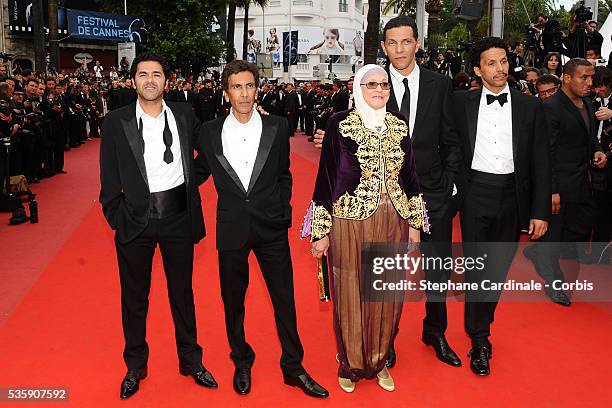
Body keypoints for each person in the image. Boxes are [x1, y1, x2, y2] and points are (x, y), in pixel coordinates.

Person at [315, 16, 463, 369]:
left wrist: (449, 185)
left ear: (417, 43)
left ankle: (435, 331)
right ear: (383, 47)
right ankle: (385, 339)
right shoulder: (372, 82)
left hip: (432, 193)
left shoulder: (440, 85)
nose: (399, 49)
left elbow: (452, 138)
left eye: (406, 42)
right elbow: (347, 134)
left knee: (436, 265)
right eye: (392, 43)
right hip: (383, 200)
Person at [194, 60, 329, 399]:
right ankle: (241, 360)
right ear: (226, 93)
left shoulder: (278, 127)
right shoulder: (208, 132)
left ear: (257, 90)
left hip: (271, 227)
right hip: (232, 227)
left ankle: (293, 366)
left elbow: (284, 174)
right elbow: (196, 173)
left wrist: (281, 211)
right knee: (233, 301)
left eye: (249, 86)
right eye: (236, 87)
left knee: (284, 299)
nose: (243, 93)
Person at [99, 53, 217, 399]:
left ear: (167, 80)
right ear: (132, 81)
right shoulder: (116, 122)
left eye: (157, 74)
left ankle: (190, 360)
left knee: (182, 293)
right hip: (135, 221)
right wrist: (117, 216)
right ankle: (135, 365)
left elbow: (207, 150)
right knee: (135, 298)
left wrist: (190, 182)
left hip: (179, 217)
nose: (150, 80)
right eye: (143, 74)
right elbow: (108, 178)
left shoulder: (183, 114)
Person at [307, 64, 428, 392]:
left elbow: (410, 177)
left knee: (387, 293)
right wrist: (320, 231)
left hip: (394, 220)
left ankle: (378, 360)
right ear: (358, 88)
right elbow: (327, 177)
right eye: (371, 84)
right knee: (350, 292)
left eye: (384, 85)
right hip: (349, 220)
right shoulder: (339, 124)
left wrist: (416, 226)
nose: (379, 90)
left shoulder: (399, 125)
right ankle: (350, 364)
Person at [453, 37, 550, 376]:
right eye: (491, 63)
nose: (500, 68)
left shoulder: (530, 106)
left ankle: (479, 321)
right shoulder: (460, 103)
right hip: (475, 192)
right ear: (478, 70)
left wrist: (539, 211)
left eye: (504, 61)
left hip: (512, 195)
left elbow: (541, 160)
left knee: (496, 270)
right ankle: (480, 339)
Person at [524, 59, 607, 303]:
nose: (590, 83)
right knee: (555, 236)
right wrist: (552, 190)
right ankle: (553, 281)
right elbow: (544, 153)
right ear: (567, 78)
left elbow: (590, 137)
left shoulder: (588, 104)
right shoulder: (552, 107)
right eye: (585, 77)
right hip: (560, 184)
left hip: (583, 181)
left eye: (592, 78)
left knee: (581, 228)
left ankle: (540, 253)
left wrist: (598, 150)